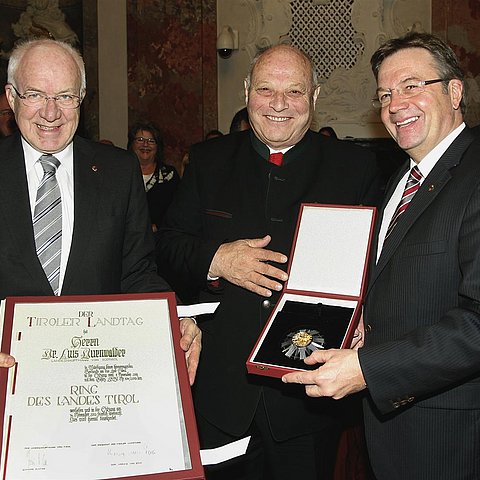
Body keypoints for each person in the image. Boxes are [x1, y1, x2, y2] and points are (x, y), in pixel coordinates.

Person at [156, 44, 381, 480]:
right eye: (265, 89)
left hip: (309, 399)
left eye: (294, 92)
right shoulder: (207, 160)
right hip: (219, 387)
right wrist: (217, 258)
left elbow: (375, 267)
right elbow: (166, 246)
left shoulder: (355, 167)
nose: (279, 105)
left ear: (314, 97)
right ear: (246, 92)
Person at [283, 32, 480, 479]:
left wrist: (369, 368)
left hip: (454, 437)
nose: (395, 104)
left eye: (412, 86)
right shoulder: (398, 182)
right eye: (385, 94)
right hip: (395, 430)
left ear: (454, 90)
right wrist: (360, 328)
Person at [0, 38, 200, 384]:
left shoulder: (119, 171)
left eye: (65, 96)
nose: (51, 113)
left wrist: (174, 318)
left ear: (81, 100)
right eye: (34, 95)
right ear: (11, 96)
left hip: (96, 380)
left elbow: (136, 273)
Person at [127, 121, 180, 232]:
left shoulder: (169, 175)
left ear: (157, 146)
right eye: (140, 140)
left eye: (151, 141)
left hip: (161, 240)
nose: (145, 145)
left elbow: (177, 211)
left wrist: (157, 226)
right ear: (132, 144)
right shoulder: (122, 173)